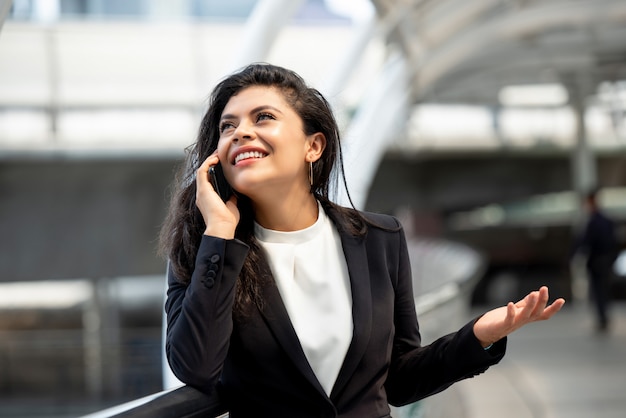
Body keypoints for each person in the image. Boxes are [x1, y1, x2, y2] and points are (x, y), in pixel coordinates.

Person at [159, 63, 565, 418]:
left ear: (313, 146)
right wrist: (218, 234)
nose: (240, 132)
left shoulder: (378, 239)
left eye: (262, 117)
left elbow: (400, 380)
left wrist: (477, 336)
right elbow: (195, 367)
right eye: (227, 126)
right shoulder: (205, 251)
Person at [572, 189, 618, 331]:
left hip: (597, 262)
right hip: (605, 261)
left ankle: (603, 318)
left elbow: (585, 241)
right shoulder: (606, 221)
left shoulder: (594, 222)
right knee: (602, 291)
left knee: (599, 291)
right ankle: (603, 318)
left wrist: (573, 255)